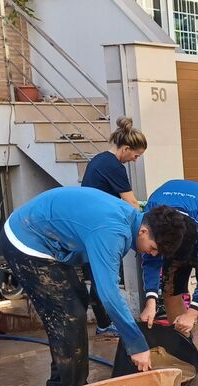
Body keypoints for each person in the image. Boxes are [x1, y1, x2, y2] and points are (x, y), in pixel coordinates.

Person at [2, 186, 186, 386]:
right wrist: (137, 344)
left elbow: (104, 285)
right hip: (25, 240)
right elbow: (109, 294)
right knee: (68, 315)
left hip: (48, 239)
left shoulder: (131, 219)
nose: (152, 254)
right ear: (143, 231)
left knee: (77, 300)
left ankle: (59, 383)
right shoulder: (113, 232)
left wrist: (150, 302)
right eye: (153, 248)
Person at [138, 180, 198, 386]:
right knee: (170, 288)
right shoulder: (151, 217)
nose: (153, 252)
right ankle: (183, 355)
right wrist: (151, 300)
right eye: (155, 247)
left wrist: (192, 311)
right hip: (173, 225)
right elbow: (151, 260)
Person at [80, 117, 148, 336]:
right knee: (106, 278)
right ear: (126, 148)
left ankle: (103, 322)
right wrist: (147, 218)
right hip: (101, 229)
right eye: (135, 156)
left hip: (88, 226)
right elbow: (130, 203)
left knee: (97, 277)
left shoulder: (98, 160)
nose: (135, 160)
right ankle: (107, 324)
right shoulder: (114, 166)